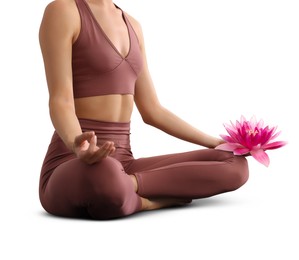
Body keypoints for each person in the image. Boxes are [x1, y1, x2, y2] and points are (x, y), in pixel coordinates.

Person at [38, 0, 249, 220]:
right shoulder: (63, 11)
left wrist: (216, 143)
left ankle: (129, 186)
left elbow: (153, 110)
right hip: (73, 162)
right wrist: (77, 145)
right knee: (107, 173)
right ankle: (145, 202)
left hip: (124, 163)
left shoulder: (133, 25)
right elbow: (61, 101)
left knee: (235, 164)